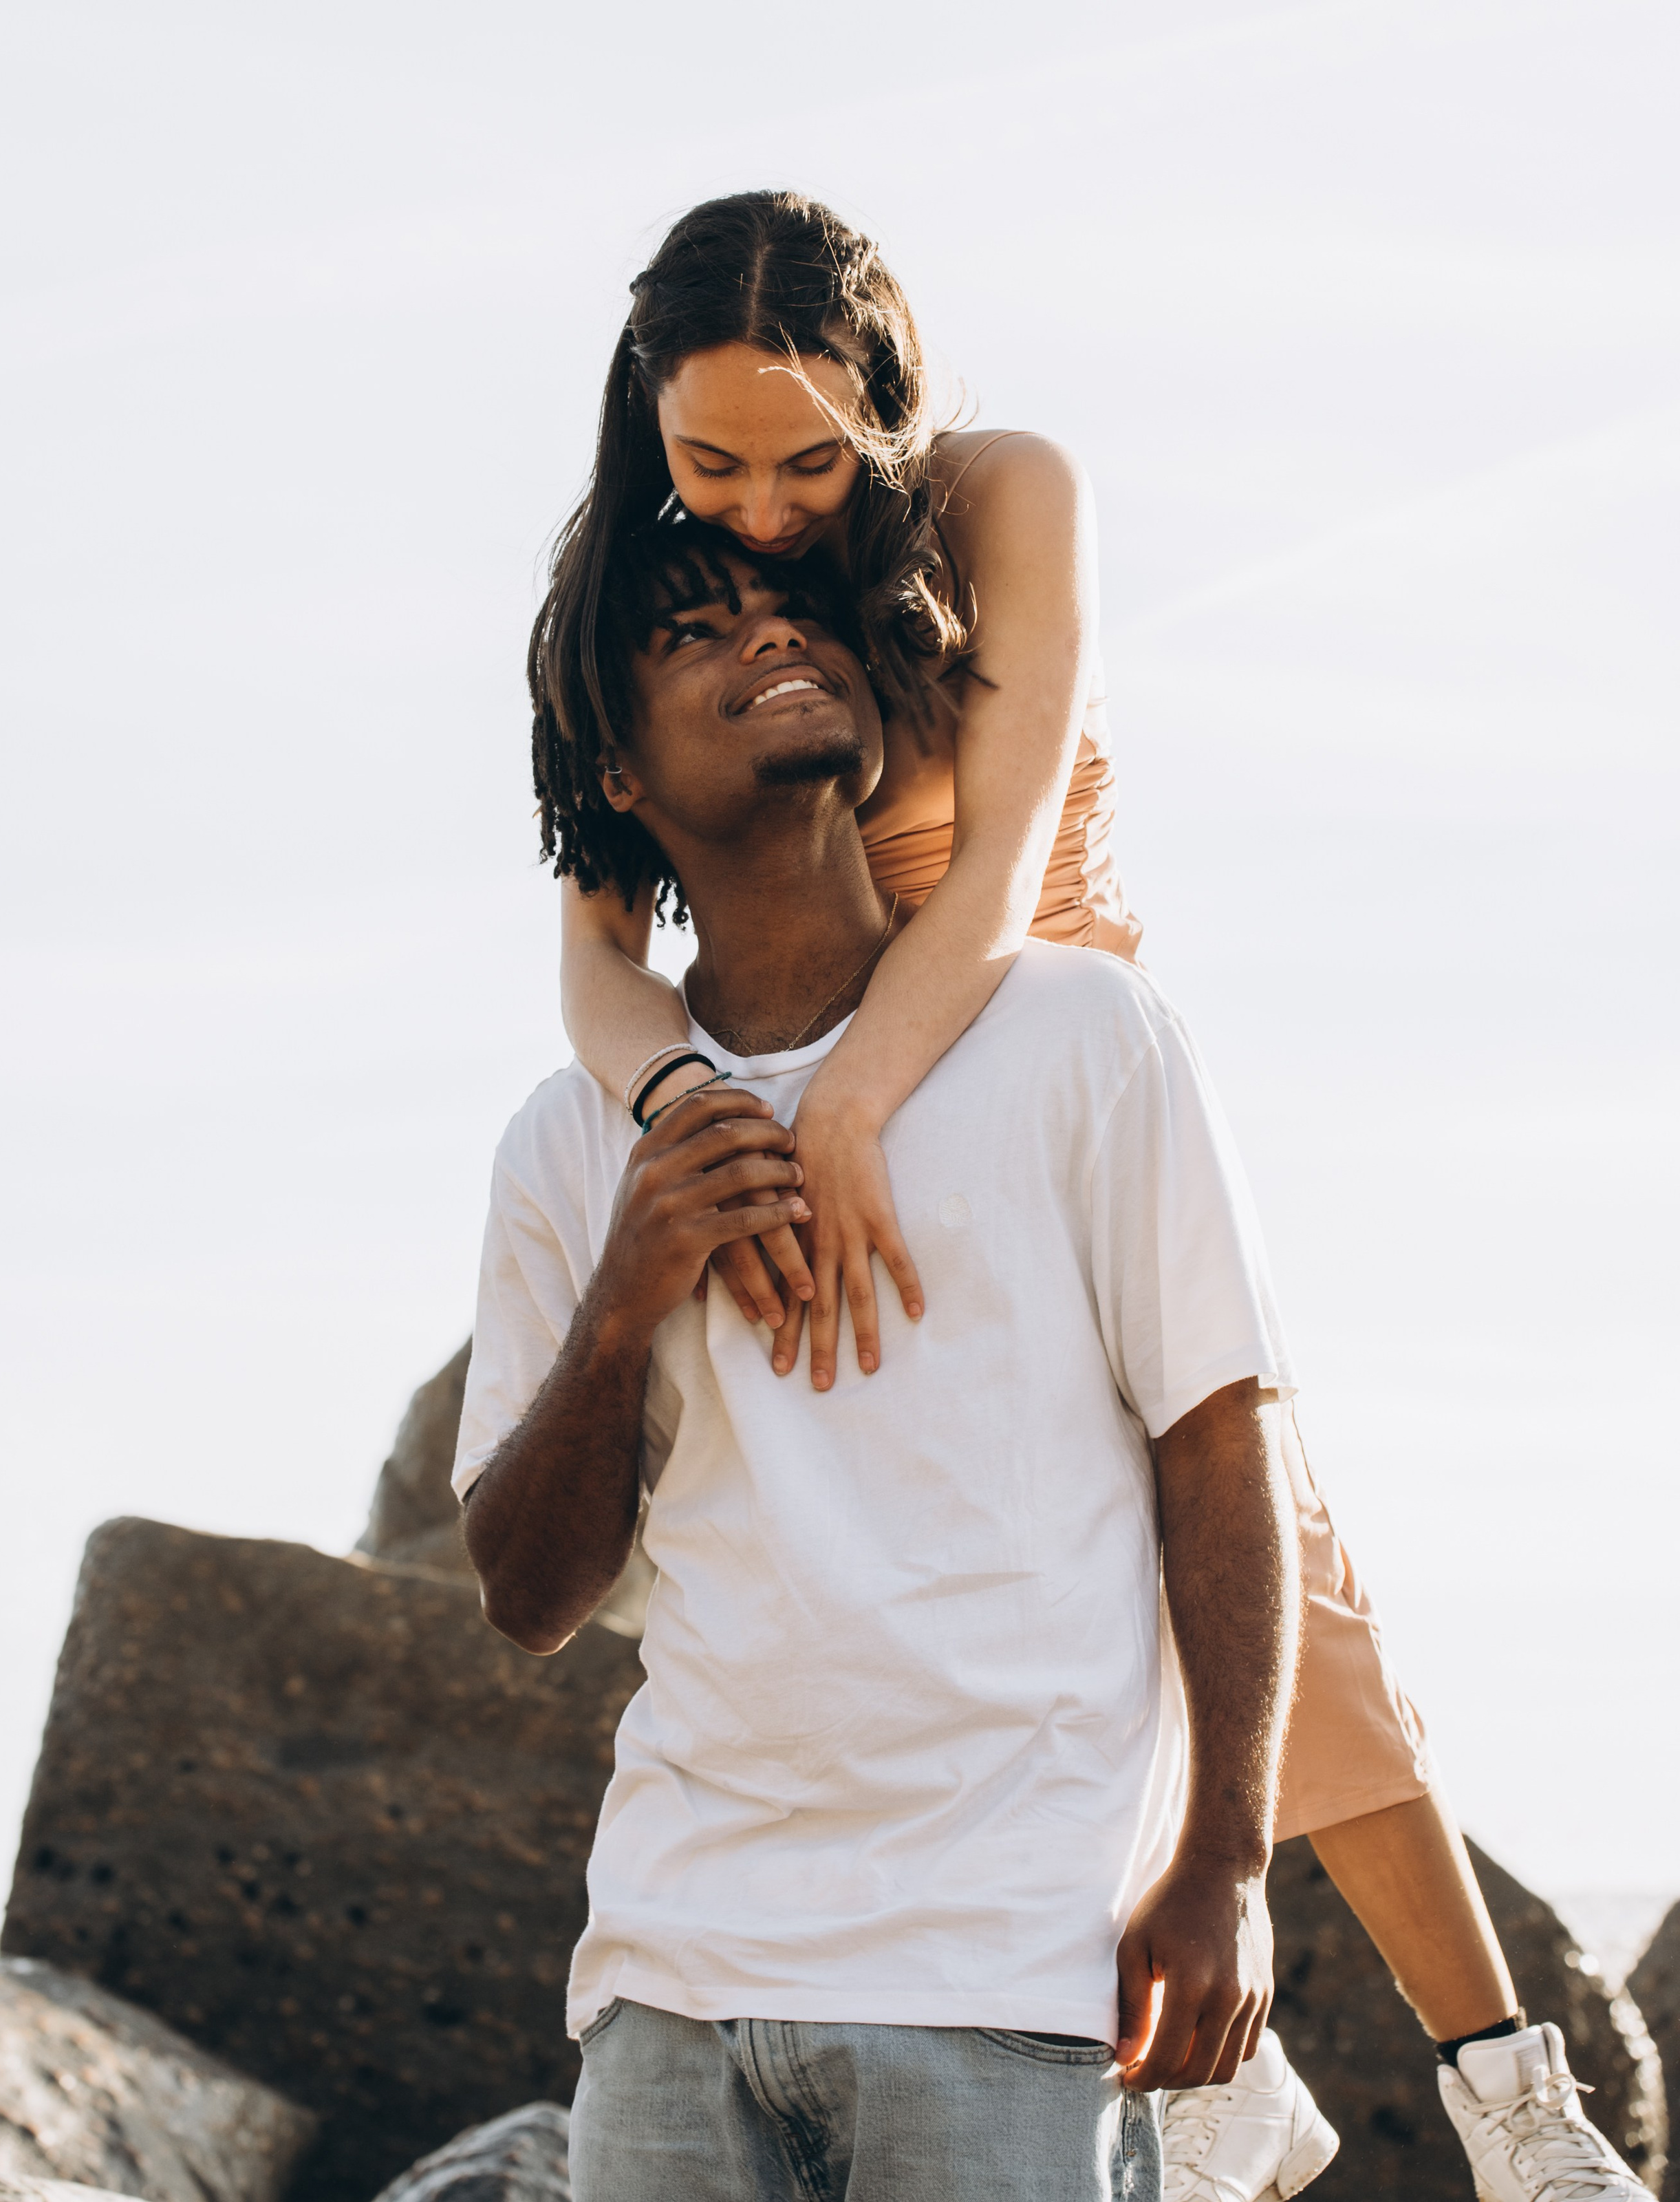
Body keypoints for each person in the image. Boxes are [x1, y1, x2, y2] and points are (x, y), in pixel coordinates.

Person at [531, 189, 1650, 2202]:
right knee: (1011, 1584)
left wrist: (869, 1094)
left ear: (884, 404)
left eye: (809, 458)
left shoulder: (1004, 495)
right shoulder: (663, 586)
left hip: (1036, 1034)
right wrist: (700, 1109)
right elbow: (595, 957)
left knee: (1271, 1555)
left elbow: (1009, 828)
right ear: (649, 423)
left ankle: (1512, 2098)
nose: (767, 509)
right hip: (834, 1082)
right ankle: (1228, 2089)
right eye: (713, 460)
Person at [457, 517, 1306, 2202]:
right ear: (615, 770)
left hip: (1008, 1973)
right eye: (697, 630)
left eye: (790, 607)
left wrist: (1224, 1863)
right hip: (674, 1985)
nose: (769, 636)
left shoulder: (1079, 1033)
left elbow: (1221, 1456)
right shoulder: (568, 1140)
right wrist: (629, 1295)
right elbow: (525, 1589)